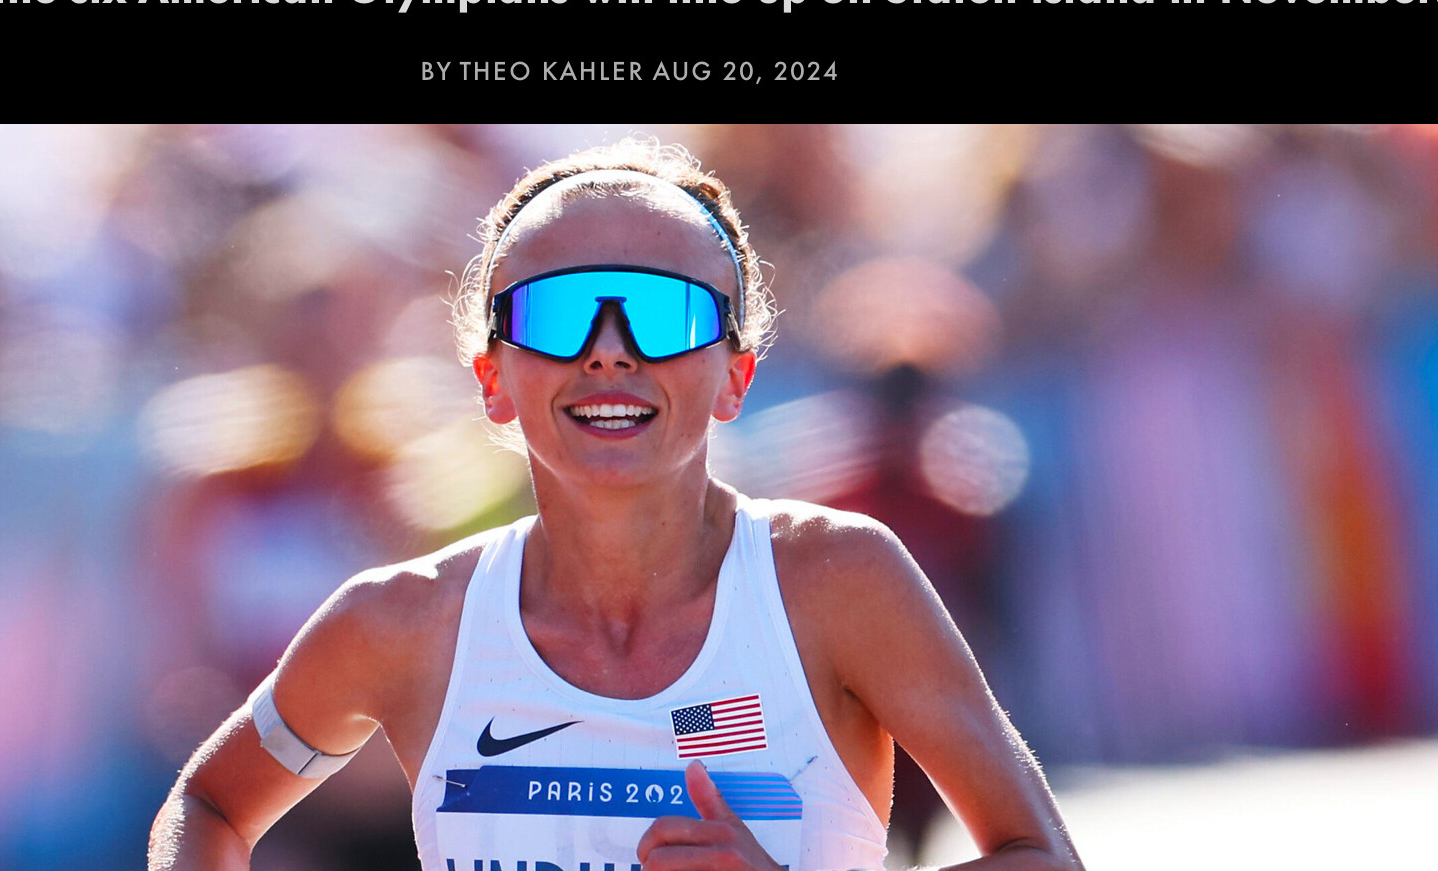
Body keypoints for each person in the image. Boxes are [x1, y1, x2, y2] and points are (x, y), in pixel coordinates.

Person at [148, 139, 1083, 871]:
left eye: (662, 312)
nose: (608, 350)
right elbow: (210, 805)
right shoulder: (403, 620)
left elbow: (1039, 852)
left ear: (737, 375)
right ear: (491, 379)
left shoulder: (838, 580)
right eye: (558, 314)